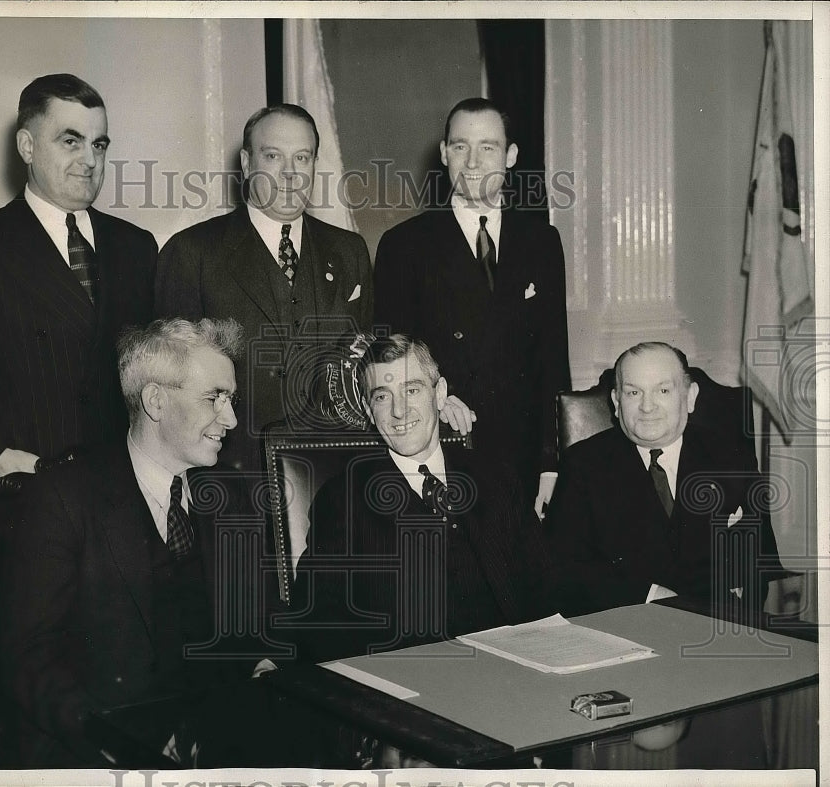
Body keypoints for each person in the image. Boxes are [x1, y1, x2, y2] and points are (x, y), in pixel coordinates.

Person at [0, 317, 265, 766]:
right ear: (155, 401)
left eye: (231, 399)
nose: (232, 418)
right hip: (101, 749)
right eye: (214, 398)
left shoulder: (230, 498)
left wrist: (263, 668)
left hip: (219, 743)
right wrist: (120, 744)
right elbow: (30, 660)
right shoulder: (63, 498)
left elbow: (255, 627)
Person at [0, 73, 157, 479]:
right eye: (70, 141)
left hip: (122, 495)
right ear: (27, 146)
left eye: (99, 145)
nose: (90, 160)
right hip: (25, 498)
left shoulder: (136, 247)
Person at [293, 334, 551, 663]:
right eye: (382, 397)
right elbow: (318, 620)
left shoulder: (497, 479)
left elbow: (546, 586)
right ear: (370, 412)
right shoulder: (341, 500)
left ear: (439, 394)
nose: (399, 411)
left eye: (412, 390)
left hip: (514, 673)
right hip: (409, 686)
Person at [373, 97, 570, 517]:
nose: (474, 161)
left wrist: (551, 466)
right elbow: (392, 355)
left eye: (488, 147)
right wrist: (439, 395)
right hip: (445, 446)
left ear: (511, 155)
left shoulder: (542, 242)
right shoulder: (404, 246)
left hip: (522, 459)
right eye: (461, 147)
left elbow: (554, 362)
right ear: (444, 153)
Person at [155, 104, 374, 471]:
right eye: (273, 156)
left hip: (335, 475)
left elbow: (366, 363)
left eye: (302, 158)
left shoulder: (349, 250)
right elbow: (173, 387)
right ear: (246, 162)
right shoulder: (191, 252)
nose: (290, 174)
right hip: (230, 479)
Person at [546, 342, 780, 617]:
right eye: (633, 392)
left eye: (663, 390)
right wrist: (651, 595)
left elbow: (762, 558)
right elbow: (564, 570)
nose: (647, 406)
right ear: (616, 402)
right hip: (626, 624)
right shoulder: (584, 464)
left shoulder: (730, 457)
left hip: (718, 626)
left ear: (689, 397)